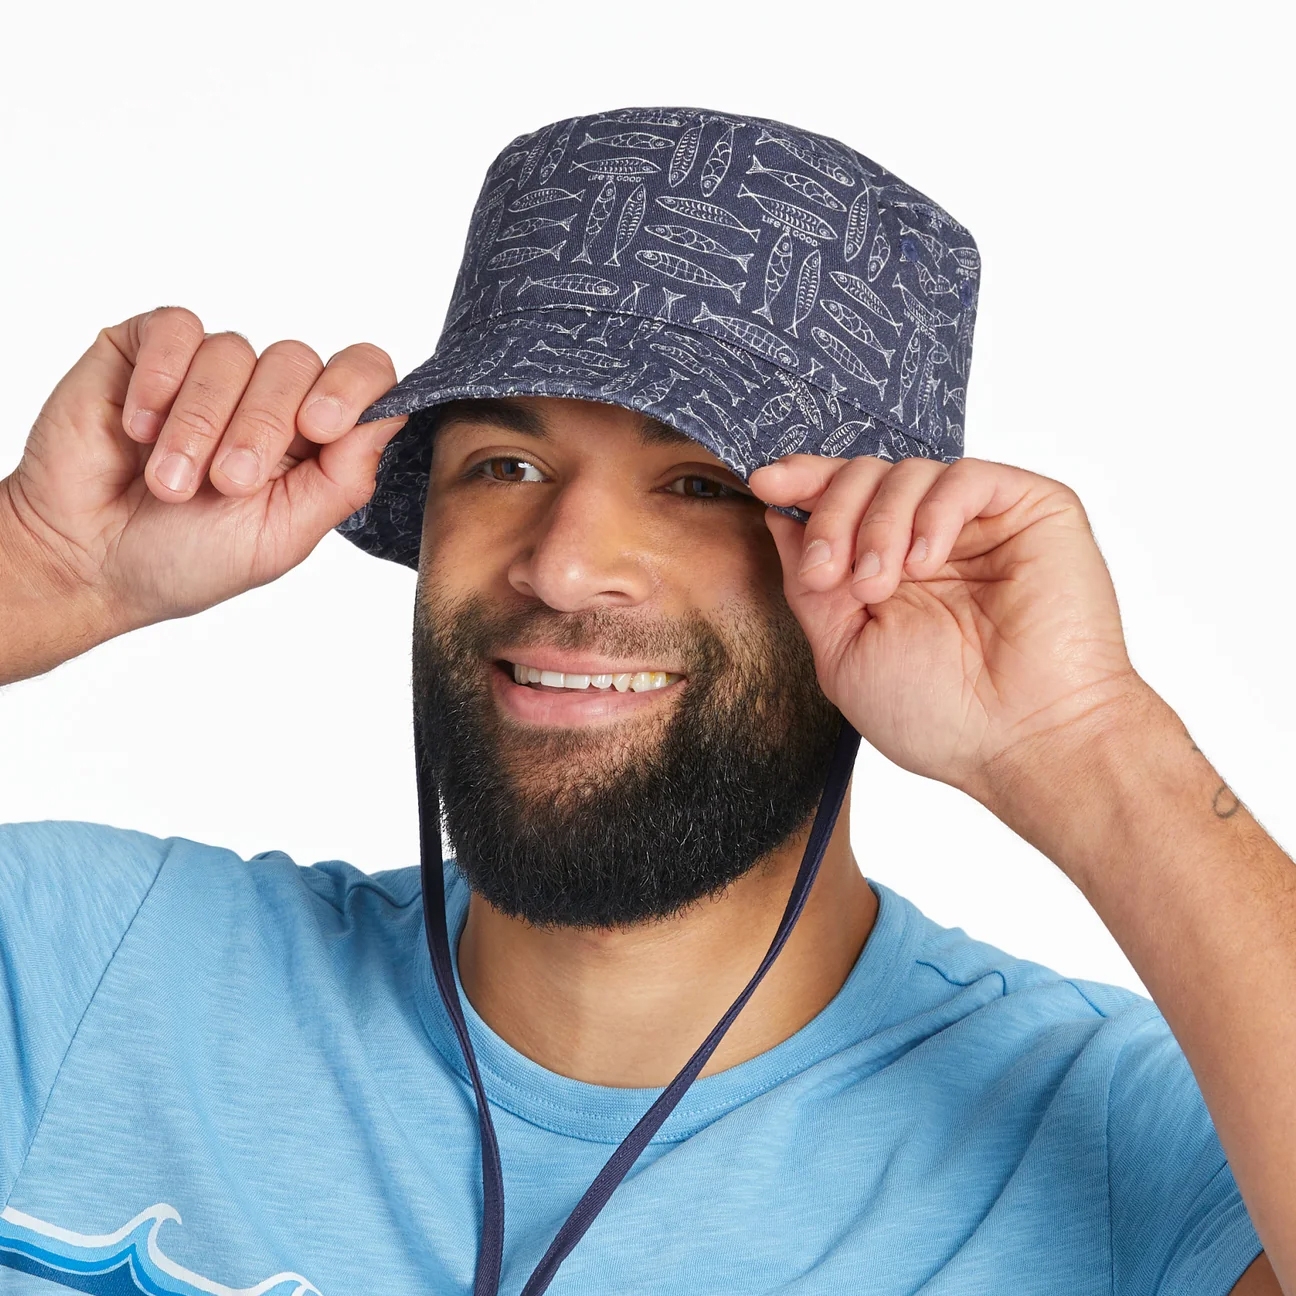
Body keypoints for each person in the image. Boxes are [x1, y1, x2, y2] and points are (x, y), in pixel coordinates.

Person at [0, 107, 1290, 1296]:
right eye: (504, 463)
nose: (559, 563)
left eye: (701, 486)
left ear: (878, 553)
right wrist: (38, 574)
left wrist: (1088, 742)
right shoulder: (86, 980)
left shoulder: (1131, 1150)